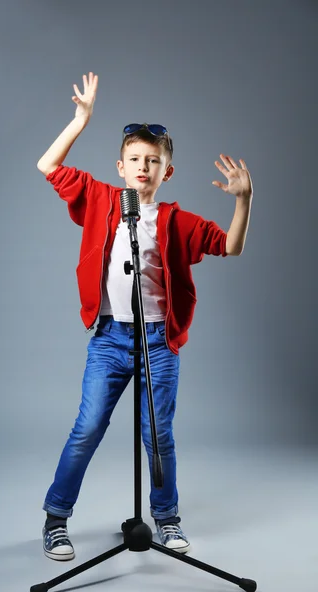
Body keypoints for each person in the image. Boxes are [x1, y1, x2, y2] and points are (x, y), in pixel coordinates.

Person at [36, 72, 253, 561]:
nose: (143, 166)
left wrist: (243, 200)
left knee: (159, 436)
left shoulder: (179, 220)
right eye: (135, 159)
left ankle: (166, 518)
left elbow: (231, 247)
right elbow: (48, 164)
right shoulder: (100, 200)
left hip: (159, 341)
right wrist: (80, 121)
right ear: (120, 166)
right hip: (111, 338)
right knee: (88, 426)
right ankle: (56, 518)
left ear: (166, 172)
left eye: (154, 161)